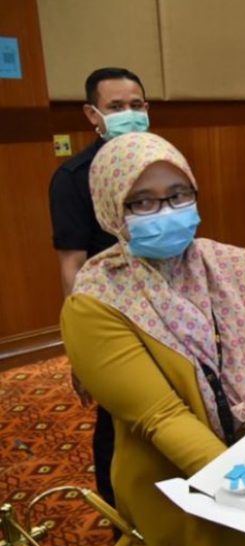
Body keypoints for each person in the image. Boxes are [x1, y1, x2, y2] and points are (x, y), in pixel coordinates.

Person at [60, 132, 245, 546]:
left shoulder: (238, 265)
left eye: (179, 194)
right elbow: (162, 417)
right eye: (143, 201)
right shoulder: (95, 300)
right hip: (185, 493)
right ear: (112, 209)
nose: (167, 210)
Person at [48, 67, 150, 510]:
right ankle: (119, 514)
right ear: (93, 114)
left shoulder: (160, 161)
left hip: (164, 307)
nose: (130, 113)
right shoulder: (73, 178)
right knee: (118, 418)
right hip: (112, 317)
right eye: (117, 106)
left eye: (137, 105)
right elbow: (71, 264)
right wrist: (82, 344)